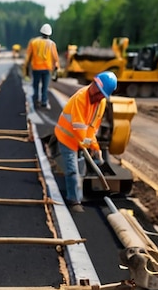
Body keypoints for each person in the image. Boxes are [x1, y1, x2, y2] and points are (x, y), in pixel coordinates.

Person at [54, 71, 118, 212]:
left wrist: (95, 146)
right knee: (72, 170)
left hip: (80, 139)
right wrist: (87, 144)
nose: (97, 93)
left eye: (101, 93)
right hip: (67, 137)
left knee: (81, 168)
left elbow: (92, 127)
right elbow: (79, 127)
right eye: (97, 88)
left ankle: (79, 192)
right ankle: (74, 200)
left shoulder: (100, 103)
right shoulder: (80, 98)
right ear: (93, 83)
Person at [24, 24, 60, 110]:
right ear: (49, 33)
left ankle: (35, 100)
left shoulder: (34, 42)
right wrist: (56, 70)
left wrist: (26, 68)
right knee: (45, 86)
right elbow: (55, 58)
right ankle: (44, 102)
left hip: (36, 68)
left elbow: (28, 56)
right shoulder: (52, 44)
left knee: (35, 85)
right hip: (47, 69)